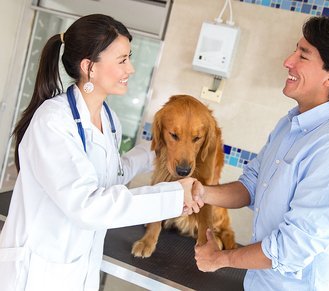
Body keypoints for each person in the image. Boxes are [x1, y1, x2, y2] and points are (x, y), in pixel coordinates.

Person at [0, 14, 200, 291]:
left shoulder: (109, 119)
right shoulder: (54, 121)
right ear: (89, 67)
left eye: (130, 57)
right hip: (37, 273)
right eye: (122, 60)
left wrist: (155, 150)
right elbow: (88, 205)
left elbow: (112, 176)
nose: (131, 69)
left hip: (78, 271)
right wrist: (175, 195)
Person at [192, 15, 329, 290]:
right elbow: (251, 185)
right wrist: (201, 192)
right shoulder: (292, 123)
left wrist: (220, 259)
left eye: (303, 55)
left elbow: (290, 249)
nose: (288, 61)